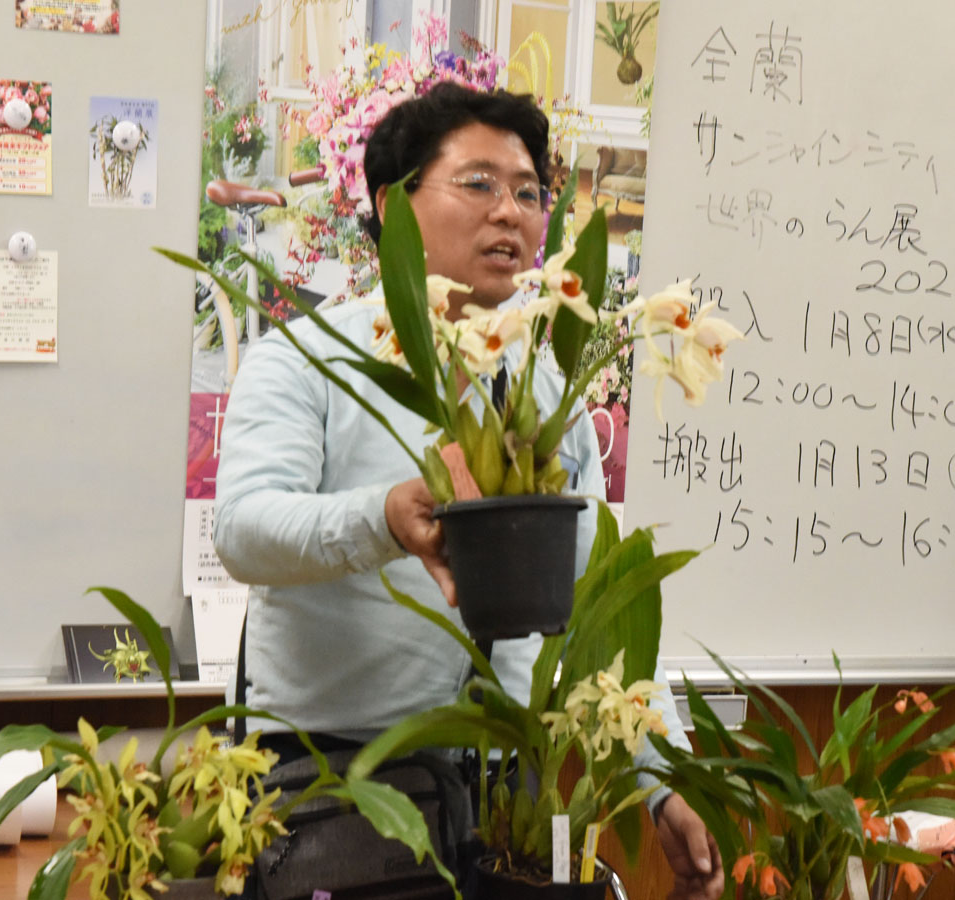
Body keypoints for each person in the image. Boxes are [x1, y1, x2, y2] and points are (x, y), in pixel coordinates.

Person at [214, 82, 722, 900]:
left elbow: (599, 599)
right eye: (478, 183)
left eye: (529, 192)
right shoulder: (307, 359)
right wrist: (383, 516)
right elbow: (242, 530)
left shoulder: (548, 386)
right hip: (344, 783)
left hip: (512, 785)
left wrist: (661, 778)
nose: (510, 212)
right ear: (392, 205)